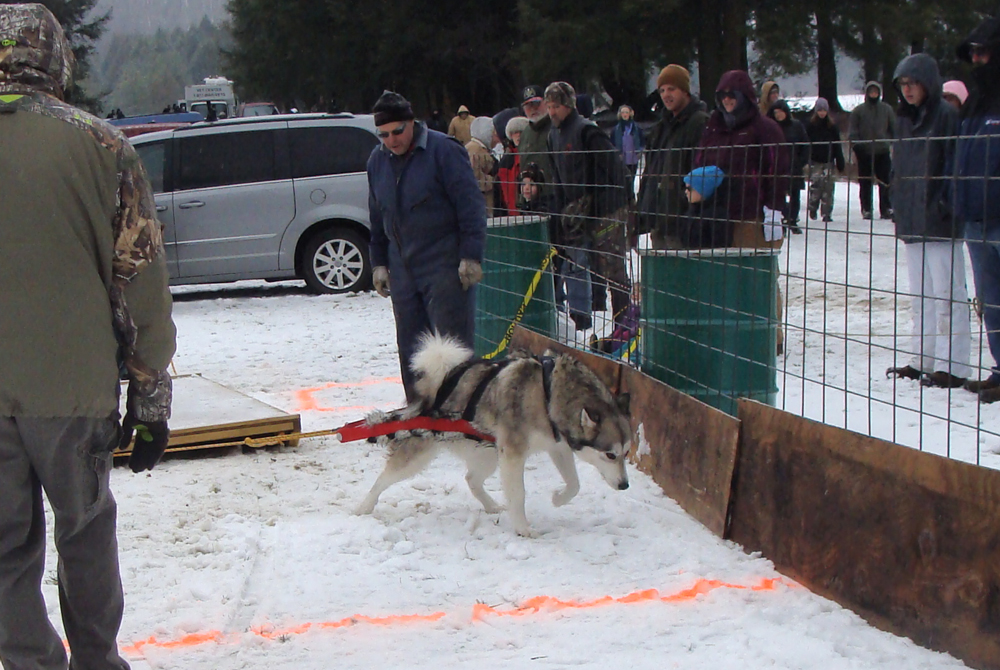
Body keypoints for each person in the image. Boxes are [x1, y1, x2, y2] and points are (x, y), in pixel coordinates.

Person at [0, 5, 177, 670]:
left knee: (6, 552)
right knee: (84, 535)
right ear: (55, 57)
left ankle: (28, 663)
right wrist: (151, 399)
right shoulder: (102, 147)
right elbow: (140, 285)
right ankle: (97, 660)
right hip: (72, 390)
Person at [367, 91, 487, 401]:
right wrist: (379, 262)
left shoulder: (443, 152)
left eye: (397, 132)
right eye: (383, 134)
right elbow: (377, 216)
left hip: (444, 264)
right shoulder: (377, 162)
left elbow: (471, 206)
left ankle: (460, 409)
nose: (391, 140)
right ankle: (418, 411)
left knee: (451, 347)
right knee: (411, 347)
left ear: (411, 123)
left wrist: (470, 256)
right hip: (403, 267)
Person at [885, 53, 971, 389]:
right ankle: (923, 358)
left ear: (928, 83)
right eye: (903, 84)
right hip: (911, 219)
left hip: (939, 219)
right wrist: (897, 203)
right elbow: (898, 167)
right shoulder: (903, 119)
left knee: (948, 293)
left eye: (913, 83)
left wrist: (946, 204)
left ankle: (954, 364)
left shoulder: (947, 117)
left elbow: (955, 164)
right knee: (920, 295)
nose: (907, 90)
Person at [545, 81, 631, 332]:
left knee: (613, 270)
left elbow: (614, 170)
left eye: (556, 106)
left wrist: (609, 204)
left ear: (569, 106)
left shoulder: (587, 131)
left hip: (605, 211)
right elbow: (558, 180)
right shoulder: (553, 136)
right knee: (577, 266)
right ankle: (582, 323)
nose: (552, 112)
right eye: (549, 107)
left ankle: (622, 324)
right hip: (575, 214)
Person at [954, 16, 1000, 402]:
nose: (978, 60)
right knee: (992, 300)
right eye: (974, 53)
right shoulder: (974, 103)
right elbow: (962, 154)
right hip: (975, 217)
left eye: (984, 52)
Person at [696, 70, 789, 248]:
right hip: (717, 214)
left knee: (753, 270)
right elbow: (700, 162)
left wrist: (774, 208)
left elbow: (777, 169)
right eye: (722, 95)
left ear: (744, 96)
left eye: (732, 94)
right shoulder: (714, 128)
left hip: (752, 215)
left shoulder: (765, 128)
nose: (727, 99)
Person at [636, 64, 710, 249]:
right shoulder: (661, 128)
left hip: (683, 222)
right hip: (660, 219)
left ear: (684, 90)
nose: (666, 95)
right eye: (662, 90)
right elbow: (650, 171)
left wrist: (687, 207)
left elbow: (702, 171)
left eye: (671, 89)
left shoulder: (699, 123)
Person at [849, 81, 896, 220]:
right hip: (864, 151)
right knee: (865, 182)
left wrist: (893, 143)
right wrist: (857, 146)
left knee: (885, 181)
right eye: (871, 92)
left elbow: (893, 129)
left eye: (876, 92)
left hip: (882, 150)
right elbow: (853, 131)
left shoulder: (887, 109)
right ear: (867, 93)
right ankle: (866, 208)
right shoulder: (858, 111)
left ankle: (886, 208)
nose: (873, 94)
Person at [767, 99, 808, 233]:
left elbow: (805, 144)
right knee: (779, 194)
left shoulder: (796, 126)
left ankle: (793, 220)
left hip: (794, 165)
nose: (778, 115)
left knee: (795, 194)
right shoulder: (772, 128)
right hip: (778, 166)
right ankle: (783, 218)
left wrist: (801, 161)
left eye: (780, 112)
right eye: (776, 113)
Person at [805, 98, 845, 223]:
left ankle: (827, 213)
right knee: (816, 186)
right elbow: (806, 143)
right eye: (820, 110)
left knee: (828, 187)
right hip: (815, 161)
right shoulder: (810, 126)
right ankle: (813, 207)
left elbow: (837, 145)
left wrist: (840, 161)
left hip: (828, 160)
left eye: (824, 110)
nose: (822, 113)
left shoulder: (832, 127)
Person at [674, 165, 732, 248]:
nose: (686, 192)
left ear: (703, 189)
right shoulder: (691, 211)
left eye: (689, 188)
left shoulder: (717, 215)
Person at [497, 115, 529, 215]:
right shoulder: (507, 159)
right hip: (511, 211)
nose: (518, 135)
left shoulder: (531, 154)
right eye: (515, 132)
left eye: (521, 132)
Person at [465, 116, 497, 214]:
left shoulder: (479, 148)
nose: (495, 137)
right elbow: (475, 177)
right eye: (493, 133)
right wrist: (495, 180)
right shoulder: (474, 150)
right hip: (482, 202)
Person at [611, 104, 644, 182]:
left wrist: (640, 151)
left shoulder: (636, 128)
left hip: (633, 158)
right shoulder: (615, 129)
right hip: (622, 158)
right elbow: (612, 143)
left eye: (626, 112)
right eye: (623, 112)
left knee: (632, 178)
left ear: (630, 113)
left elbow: (642, 141)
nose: (625, 114)